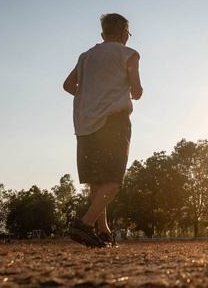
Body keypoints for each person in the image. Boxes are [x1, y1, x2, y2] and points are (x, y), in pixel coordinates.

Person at [63, 13, 143, 248]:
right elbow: (136, 90)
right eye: (128, 33)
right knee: (114, 178)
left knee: (97, 179)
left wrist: (91, 97)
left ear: (102, 34)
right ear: (123, 33)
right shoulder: (128, 54)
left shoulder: (85, 57)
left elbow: (68, 85)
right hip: (113, 120)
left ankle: (103, 231)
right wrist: (136, 93)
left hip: (85, 123)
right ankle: (85, 224)